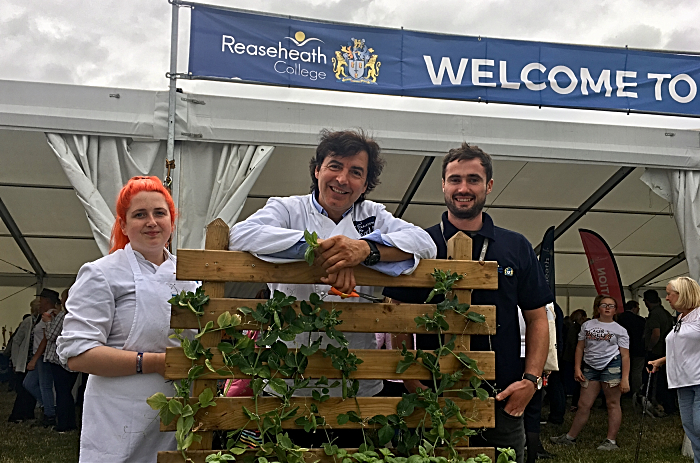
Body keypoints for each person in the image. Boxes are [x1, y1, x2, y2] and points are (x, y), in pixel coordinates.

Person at [228, 129, 436, 447]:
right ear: (317, 170)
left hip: (358, 386)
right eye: (335, 166)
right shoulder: (287, 209)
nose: (342, 179)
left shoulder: (374, 216)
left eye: (356, 172)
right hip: (287, 384)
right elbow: (241, 234)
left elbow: (425, 244)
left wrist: (366, 251)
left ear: (366, 184)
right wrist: (321, 249)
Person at [383, 143, 552, 463]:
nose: (464, 188)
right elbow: (399, 316)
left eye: (473, 179)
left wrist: (530, 381)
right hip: (435, 394)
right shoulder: (422, 244)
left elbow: (537, 317)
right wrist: (411, 382)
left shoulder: (515, 245)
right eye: (455, 179)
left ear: (488, 185)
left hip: (503, 395)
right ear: (443, 185)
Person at [57, 176, 198, 463]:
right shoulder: (102, 273)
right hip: (119, 415)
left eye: (160, 213)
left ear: (172, 221)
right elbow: (77, 354)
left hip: (178, 415)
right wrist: (155, 362)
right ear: (122, 225)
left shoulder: (189, 279)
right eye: (139, 215)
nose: (152, 222)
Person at [551, 295, 630, 451]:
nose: (607, 308)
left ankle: (611, 441)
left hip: (611, 366)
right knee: (583, 404)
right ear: (598, 308)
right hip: (590, 367)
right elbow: (580, 347)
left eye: (611, 306)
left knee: (612, 403)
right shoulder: (587, 325)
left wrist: (625, 378)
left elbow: (625, 355)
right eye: (604, 305)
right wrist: (577, 368)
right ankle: (570, 437)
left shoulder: (620, 330)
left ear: (615, 310)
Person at [648, 277, 700, 463]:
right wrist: (661, 361)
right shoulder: (681, 318)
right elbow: (682, 348)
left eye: (670, 294)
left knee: (699, 426)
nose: (667, 298)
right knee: (691, 428)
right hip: (683, 381)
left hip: (698, 380)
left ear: (683, 294)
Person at [44, 288, 80, 432]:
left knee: (61, 393)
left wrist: (47, 322)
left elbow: (51, 336)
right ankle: (70, 422)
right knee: (67, 392)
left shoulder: (62, 316)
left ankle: (63, 424)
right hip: (72, 359)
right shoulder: (78, 316)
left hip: (58, 359)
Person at [23, 288, 59, 427]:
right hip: (40, 356)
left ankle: (49, 414)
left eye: (42, 300)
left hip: (42, 356)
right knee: (30, 384)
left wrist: (34, 358)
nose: (40, 302)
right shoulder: (46, 315)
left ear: (47, 301)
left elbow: (45, 339)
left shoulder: (48, 317)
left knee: (44, 386)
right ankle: (49, 407)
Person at [643, 289, 676, 415]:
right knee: (665, 380)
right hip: (666, 351)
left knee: (656, 381)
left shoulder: (655, 314)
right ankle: (669, 405)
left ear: (646, 301)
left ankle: (661, 405)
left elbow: (655, 334)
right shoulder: (665, 313)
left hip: (656, 353)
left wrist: (650, 347)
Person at [7, 307, 36, 423]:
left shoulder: (37, 321)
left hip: (31, 362)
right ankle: (17, 415)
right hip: (23, 362)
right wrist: (15, 361)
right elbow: (16, 341)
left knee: (29, 389)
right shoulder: (28, 321)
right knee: (22, 389)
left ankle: (28, 413)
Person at [617, 300, 645, 396]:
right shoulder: (640, 320)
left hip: (621, 349)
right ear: (634, 308)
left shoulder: (618, 319)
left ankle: (620, 392)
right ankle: (636, 393)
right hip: (638, 350)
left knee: (620, 370)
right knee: (636, 372)